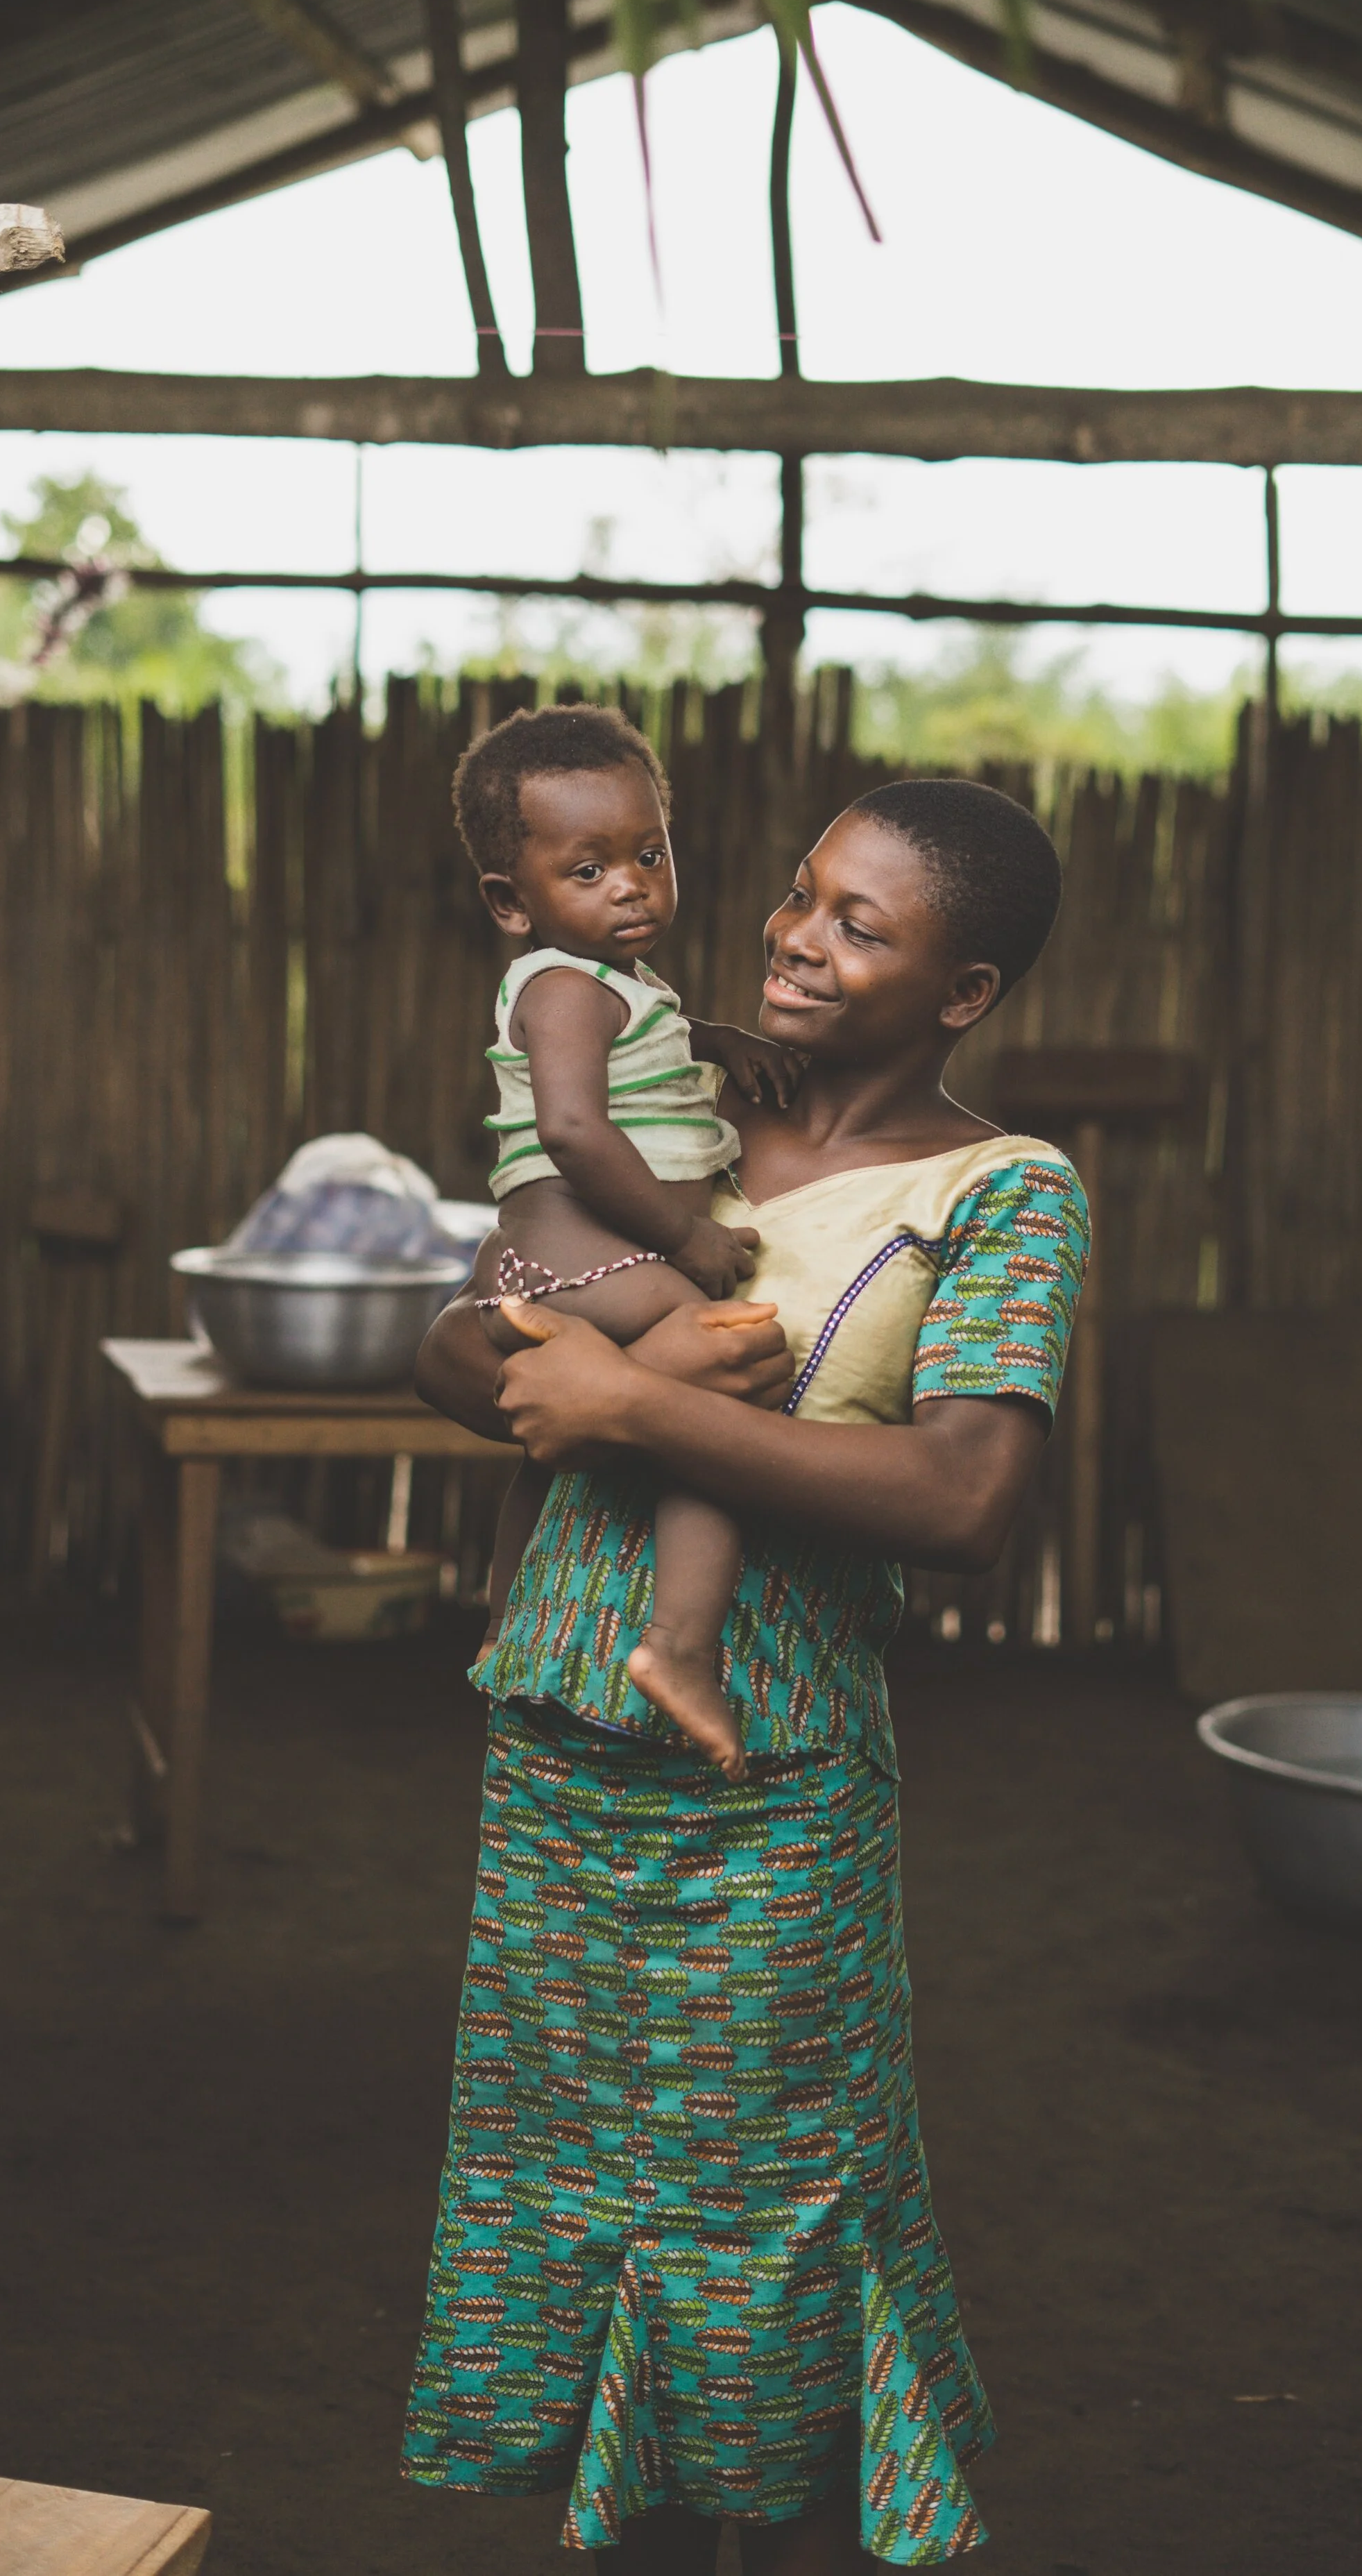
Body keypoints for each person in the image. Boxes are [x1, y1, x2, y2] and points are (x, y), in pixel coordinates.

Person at [401, 775, 1091, 2572]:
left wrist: (622, 1397)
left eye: (862, 922)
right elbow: (481, 1309)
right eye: (799, 894)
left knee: (769, 2220)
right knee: (569, 2196)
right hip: (556, 1724)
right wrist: (475, 1347)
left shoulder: (1003, 1190)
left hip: (763, 1767)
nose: (797, 934)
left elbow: (962, 1499)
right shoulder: (684, 1123)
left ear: (963, 989)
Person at [463, 702, 803, 1778]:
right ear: (513, 903)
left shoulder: (614, 987)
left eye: (648, 854)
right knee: (718, 1392)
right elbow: (572, 1126)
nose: (632, 884)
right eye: (590, 869)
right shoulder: (564, 987)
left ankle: (506, 1619)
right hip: (597, 1266)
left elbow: (642, 1039)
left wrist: (717, 1038)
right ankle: (681, 1647)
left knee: (555, 1450)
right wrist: (683, 1241)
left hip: (551, 1273)